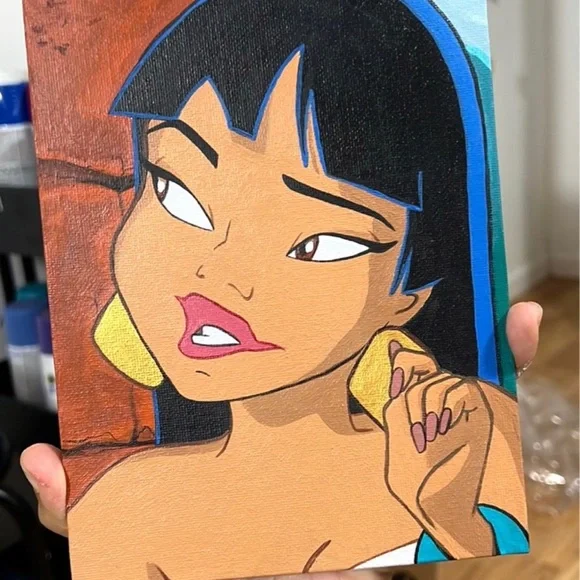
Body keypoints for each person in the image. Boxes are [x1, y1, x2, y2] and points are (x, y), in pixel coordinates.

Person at [21, 1, 540, 577]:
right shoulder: (127, 509)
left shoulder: (465, 436)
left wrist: (452, 520)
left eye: (319, 243)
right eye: (176, 193)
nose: (218, 274)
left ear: (411, 292)